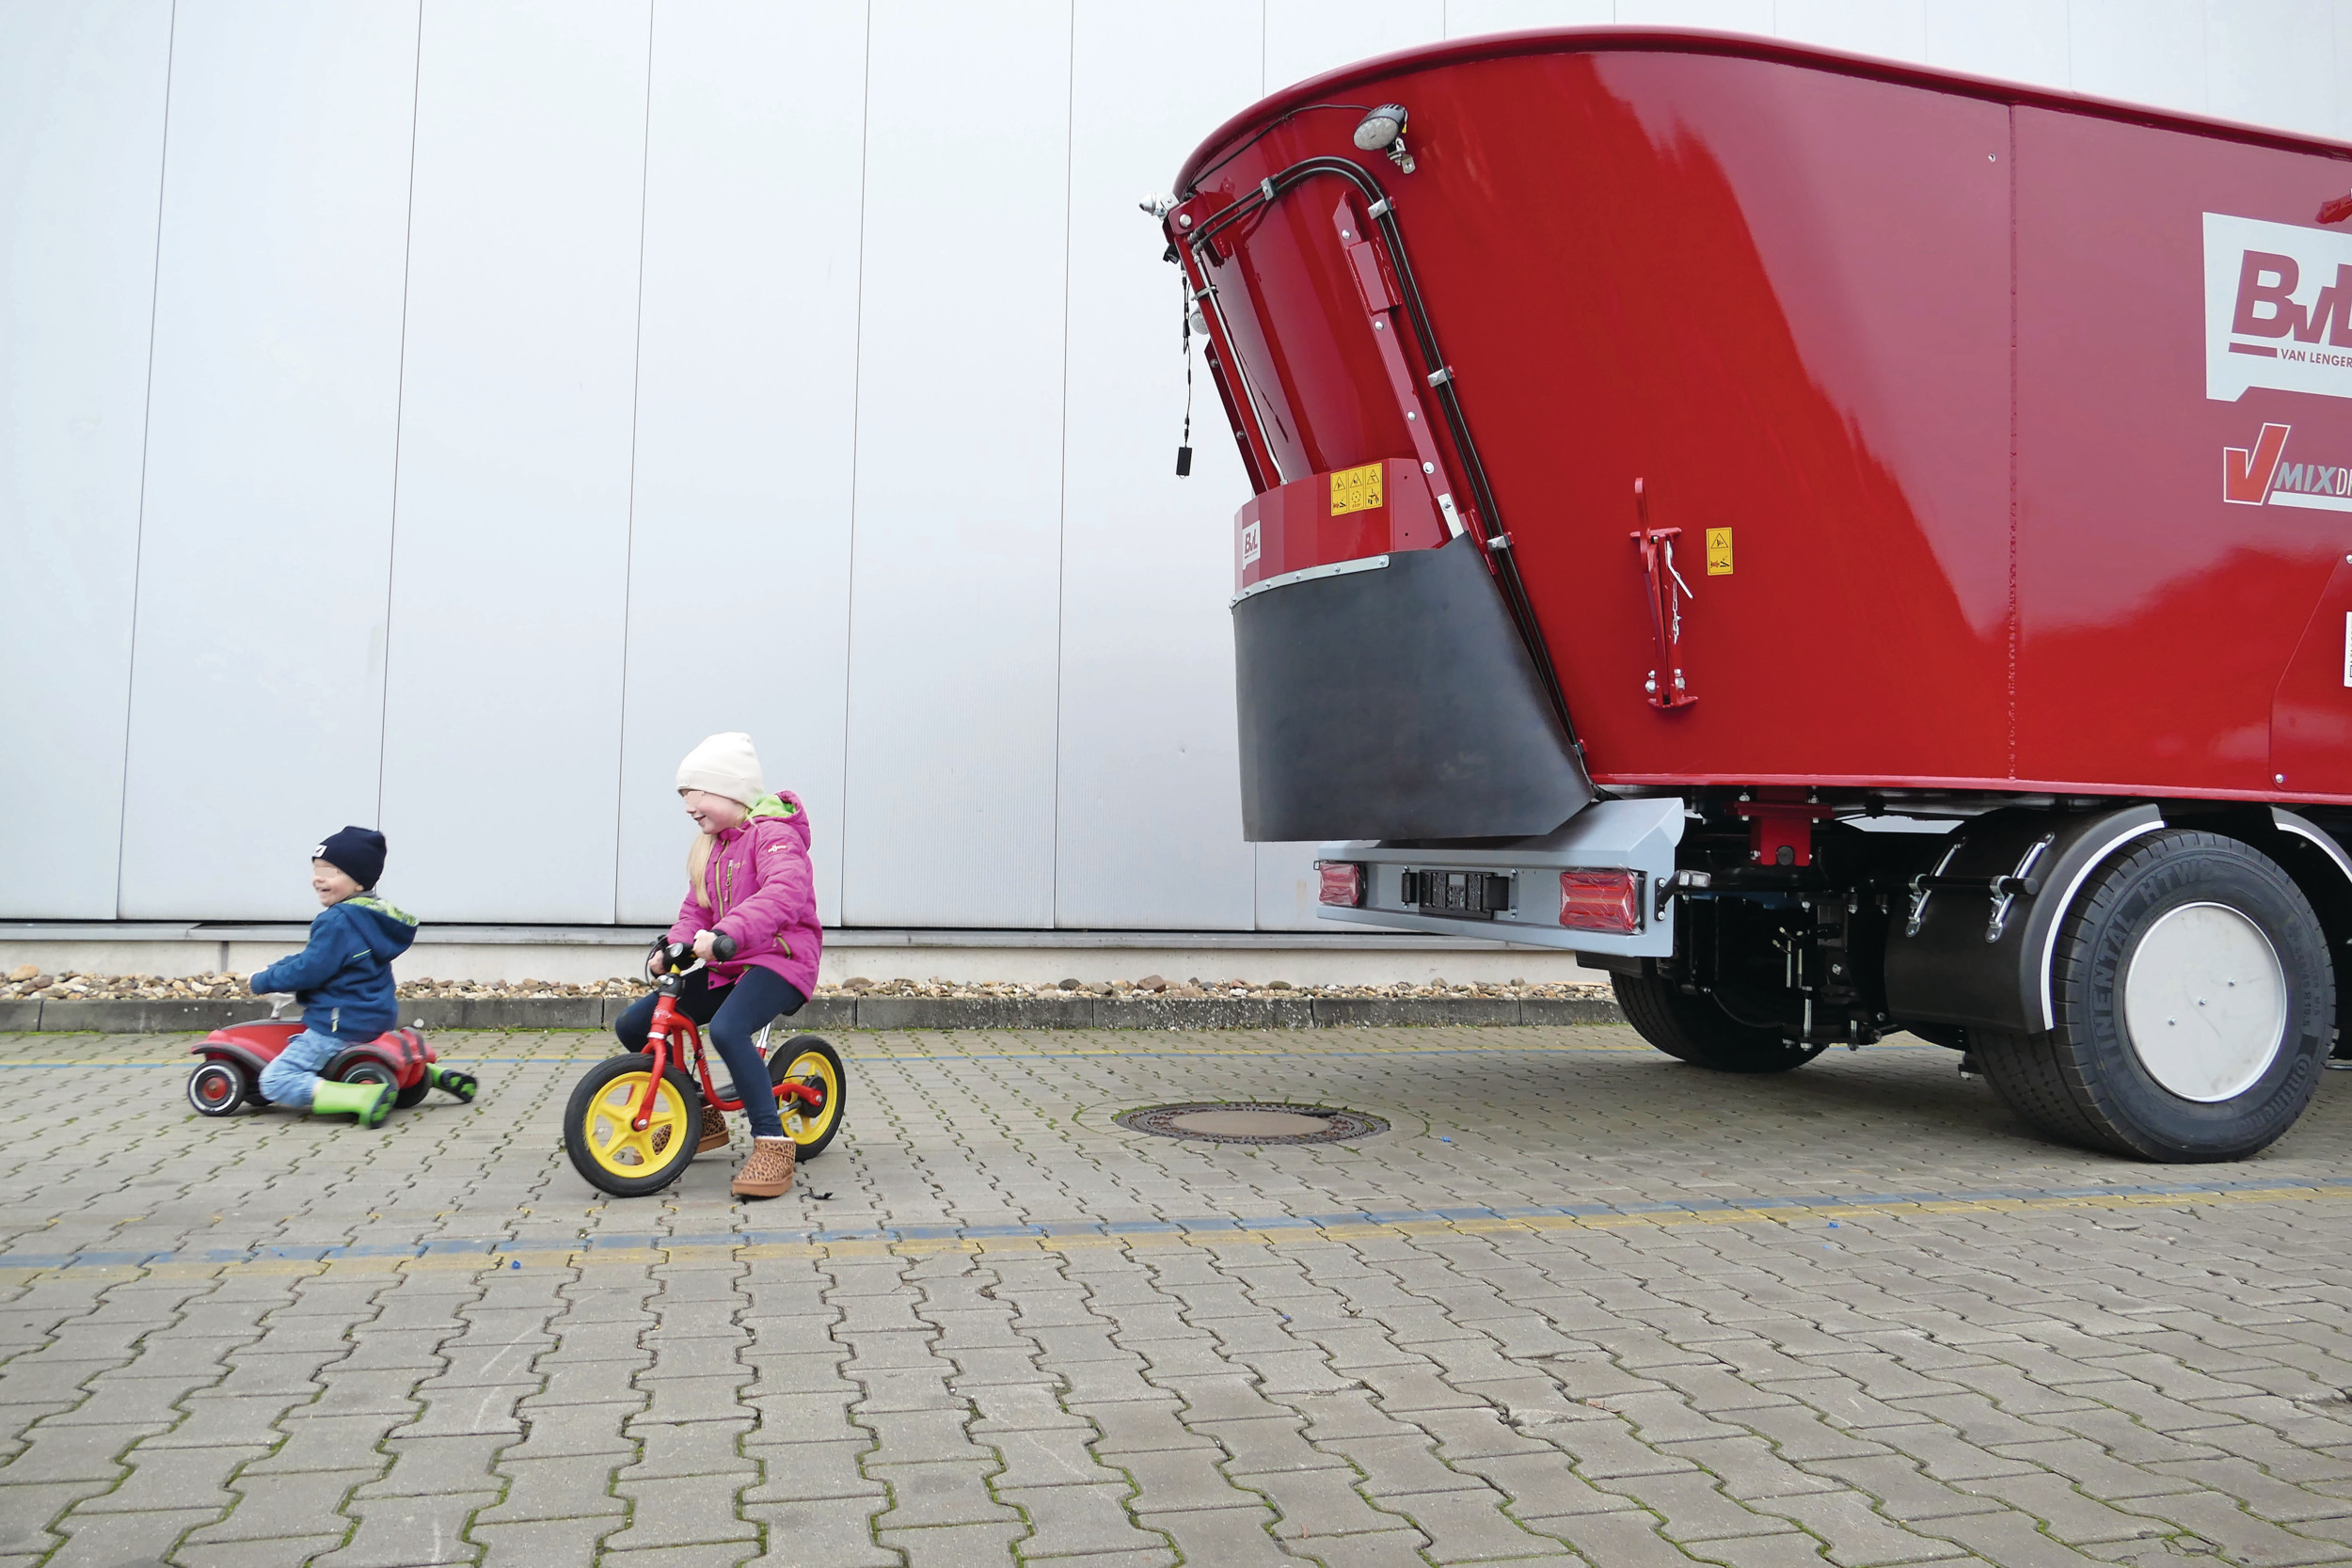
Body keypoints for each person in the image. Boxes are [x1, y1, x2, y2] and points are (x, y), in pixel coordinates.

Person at [613, 733, 821, 1197]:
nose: (688, 805)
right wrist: (674, 947)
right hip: (729, 961)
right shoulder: (711, 846)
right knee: (637, 1024)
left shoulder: (774, 836)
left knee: (727, 1030)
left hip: (780, 959)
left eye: (697, 793)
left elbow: (783, 894)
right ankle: (699, 1115)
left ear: (732, 791)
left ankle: (772, 1141)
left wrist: (731, 935)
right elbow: (697, 912)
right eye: (684, 797)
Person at [248, 827, 432, 1127]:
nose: (318, 877)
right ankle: (430, 1075)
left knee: (275, 1080)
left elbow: (310, 969)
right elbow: (318, 959)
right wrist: (278, 968)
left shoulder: (337, 921)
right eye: (316, 869)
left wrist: (263, 981)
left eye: (330, 871)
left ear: (358, 881)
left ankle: (360, 1098)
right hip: (373, 1018)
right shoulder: (371, 916)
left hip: (337, 1025)